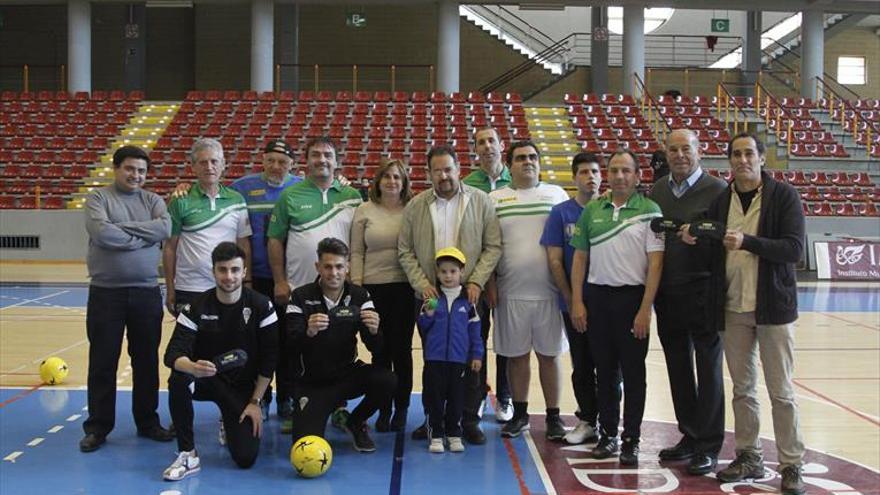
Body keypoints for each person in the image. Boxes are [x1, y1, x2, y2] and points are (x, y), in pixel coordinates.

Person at [682, 133, 806, 495]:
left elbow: (794, 250)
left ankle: (791, 464)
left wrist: (748, 242)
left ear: (762, 158)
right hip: (734, 308)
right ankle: (749, 455)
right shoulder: (723, 200)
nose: (742, 160)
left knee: (781, 392)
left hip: (773, 310)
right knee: (743, 389)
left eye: (749, 153)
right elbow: (708, 234)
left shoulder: (783, 196)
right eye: (736, 154)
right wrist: (693, 234)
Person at [398, 144, 502, 445]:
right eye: (437, 170)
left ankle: (468, 419)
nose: (443, 175)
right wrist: (422, 284)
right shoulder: (416, 205)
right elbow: (404, 250)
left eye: (448, 169)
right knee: (434, 363)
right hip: (430, 299)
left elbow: (493, 246)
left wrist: (477, 282)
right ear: (428, 173)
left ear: (459, 169)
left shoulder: (481, 202)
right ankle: (434, 421)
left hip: (468, 296)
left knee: (472, 358)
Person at [570, 149, 664, 466]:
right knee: (605, 372)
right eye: (614, 170)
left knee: (634, 375)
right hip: (597, 300)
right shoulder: (592, 211)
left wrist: (644, 310)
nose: (619, 176)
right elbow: (580, 258)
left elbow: (655, 266)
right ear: (607, 176)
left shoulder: (651, 211)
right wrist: (578, 301)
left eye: (626, 170)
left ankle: (631, 440)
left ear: (638, 176)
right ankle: (608, 434)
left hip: (632, 301)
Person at [80, 145, 175, 452]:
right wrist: (142, 237)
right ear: (116, 168)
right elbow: (102, 234)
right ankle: (98, 426)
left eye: (142, 171)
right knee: (102, 362)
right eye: (130, 169)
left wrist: (122, 230)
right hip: (106, 294)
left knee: (146, 362)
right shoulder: (98, 198)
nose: (136, 175)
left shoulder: (153, 200)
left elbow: (165, 227)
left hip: (146, 293)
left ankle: (147, 422)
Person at [162, 242, 279, 481]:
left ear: (244, 272)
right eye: (222, 270)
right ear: (213, 271)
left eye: (235, 270)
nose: (229, 276)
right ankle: (188, 453)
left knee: (246, 458)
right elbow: (172, 354)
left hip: (242, 388)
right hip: (207, 381)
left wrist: (255, 402)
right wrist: (192, 367)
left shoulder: (261, 305)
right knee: (179, 379)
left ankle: (229, 420)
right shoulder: (196, 306)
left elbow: (270, 359)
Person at [649, 129, 728, 475]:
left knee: (708, 370)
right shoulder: (659, 189)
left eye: (686, 149)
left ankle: (709, 445)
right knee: (678, 368)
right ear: (666, 154)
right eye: (673, 149)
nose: (680, 155)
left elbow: (724, 235)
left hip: (704, 292)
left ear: (699, 152)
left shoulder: (718, 190)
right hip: (668, 292)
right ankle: (690, 435)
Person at [488, 140, 570, 439]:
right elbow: (489, 246)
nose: (528, 162)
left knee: (550, 356)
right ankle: (520, 414)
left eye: (533, 157)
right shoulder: (495, 198)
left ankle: (553, 417)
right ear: (509, 165)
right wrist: (491, 283)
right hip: (510, 293)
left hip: (550, 293)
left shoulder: (556, 195)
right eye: (521, 158)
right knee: (516, 356)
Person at [286, 237, 394, 453]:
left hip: (346, 377)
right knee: (304, 445)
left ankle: (355, 422)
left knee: (387, 380)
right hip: (313, 384)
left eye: (339, 267)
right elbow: (290, 344)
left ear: (347, 268)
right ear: (318, 267)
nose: (333, 273)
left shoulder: (360, 296)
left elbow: (375, 348)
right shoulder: (300, 296)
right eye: (327, 266)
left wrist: (374, 331)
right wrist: (308, 332)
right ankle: (313, 412)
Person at [539, 152, 606, 445]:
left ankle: (609, 421)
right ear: (574, 178)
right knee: (582, 362)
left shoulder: (612, 210)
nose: (590, 176)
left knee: (608, 364)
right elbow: (555, 260)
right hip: (574, 302)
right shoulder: (561, 213)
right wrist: (570, 299)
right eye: (583, 172)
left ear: (601, 176)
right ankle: (588, 419)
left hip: (607, 301)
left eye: (594, 171)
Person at [350, 158, 416, 432]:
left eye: (397, 177)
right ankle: (383, 406)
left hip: (403, 288)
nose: (391, 181)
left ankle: (401, 408)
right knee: (379, 350)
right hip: (372, 290)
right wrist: (357, 288)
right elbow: (356, 252)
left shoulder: (412, 210)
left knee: (401, 351)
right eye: (386, 176)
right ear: (377, 181)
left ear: (404, 183)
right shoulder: (364, 210)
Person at [163, 138, 252, 315]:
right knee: (190, 342)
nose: (209, 167)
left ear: (223, 165)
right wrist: (170, 288)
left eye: (214, 161)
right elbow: (169, 248)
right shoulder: (180, 200)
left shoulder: (237, 200)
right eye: (203, 162)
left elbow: (243, 245)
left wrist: (246, 281)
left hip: (228, 284)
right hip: (189, 287)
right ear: (193, 167)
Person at [267, 136, 362, 301]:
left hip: (342, 287)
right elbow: (274, 240)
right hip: (298, 288)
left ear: (336, 162)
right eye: (316, 155)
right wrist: (280, 282)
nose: (322, 160)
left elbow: (360, 243)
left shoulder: (353, 196)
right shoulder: (289, 195)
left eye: (327, 155)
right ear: (307, 161)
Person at [462, 126, 514, 423]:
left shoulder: (517, 180)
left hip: (511, 274)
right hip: (478, 277)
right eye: (480, 142)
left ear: (501, 144)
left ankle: (504, 397)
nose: (486, 146)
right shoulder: (467, 185)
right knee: (476, 339)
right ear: (475, 149)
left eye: (491, 140)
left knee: (506, 339)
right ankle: (478, 393)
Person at [417, 247, 483, 453]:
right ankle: (436, 434)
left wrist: (476, 354)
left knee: (456, 398)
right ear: (437, 273)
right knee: (434, 397)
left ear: (461, 272)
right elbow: (423, 326)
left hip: (458, 360)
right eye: (444, 271)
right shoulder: (433, 297)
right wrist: (426, 315)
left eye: (453, 271)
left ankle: (454, 433)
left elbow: (475, 331)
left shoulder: (468, 301)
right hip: (435, 359)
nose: (448, 276)